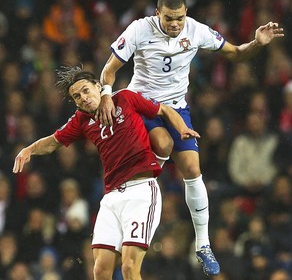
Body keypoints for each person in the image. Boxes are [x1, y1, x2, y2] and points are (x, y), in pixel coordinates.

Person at [97, 0, 284, 276]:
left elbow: (236, 53)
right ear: (158, 13)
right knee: (163, 142)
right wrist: (108, 95)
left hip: (177, 108)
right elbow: (109, 70)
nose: (175, 24)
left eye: (180, 18)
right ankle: (134, 205)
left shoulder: (196, 29)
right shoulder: (139, 29)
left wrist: (257, 43)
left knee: (193, 169)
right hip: (142, 107)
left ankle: (202, 244)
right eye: (170, 18)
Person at [13, 65, 199, 280]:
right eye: (76, 96)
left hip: (141, 192)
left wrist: (182, 128)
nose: (82, 98)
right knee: (100, 272)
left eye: (85, 90)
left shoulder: (125, 98)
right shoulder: (81, 120)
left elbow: (164, 110)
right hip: (111, 198)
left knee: (129, 268)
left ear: (98, 86)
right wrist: (29, 150)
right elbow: (54, 141)